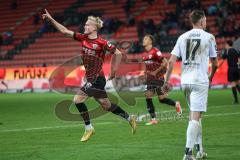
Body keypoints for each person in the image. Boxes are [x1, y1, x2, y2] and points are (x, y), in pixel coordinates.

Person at [42, 9, 137, 142]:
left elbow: (118, 54)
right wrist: (51, 19)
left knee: (77, 100)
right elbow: (64, 31)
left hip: (97, 79)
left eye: (87, 24)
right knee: (106, 105)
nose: (85, 26)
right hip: (92, 79)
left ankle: (89, 128)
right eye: (85, 24)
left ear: (94, 28)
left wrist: (113, 71)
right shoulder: (83, 38)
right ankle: (129, 118)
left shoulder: (102, 43)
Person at [164, 10, 218, 160]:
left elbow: (171, 62)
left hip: (185, 81)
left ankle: (200, 150)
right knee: (195, 116)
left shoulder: (182, 37)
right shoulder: (209, 37)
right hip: (200, 80)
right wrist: (211, 77)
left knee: (195, 115)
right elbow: (215, 63)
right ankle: (188, 154)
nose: (206, 23)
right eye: (205, 21)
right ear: (201, 22)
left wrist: (166, 81)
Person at [141, 35, 182, 125]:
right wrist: (145, 74)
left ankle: (175, 105)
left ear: (150, 41)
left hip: (158, 78)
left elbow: (165, 62)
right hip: (150, 79)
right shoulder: (144, 55)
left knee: (157, 98)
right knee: (153, 98)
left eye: (146, 39)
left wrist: (156, 72)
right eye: (143, 39)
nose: (143, 40)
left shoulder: (155, 51)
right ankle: (154, 119)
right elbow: (147, 67)